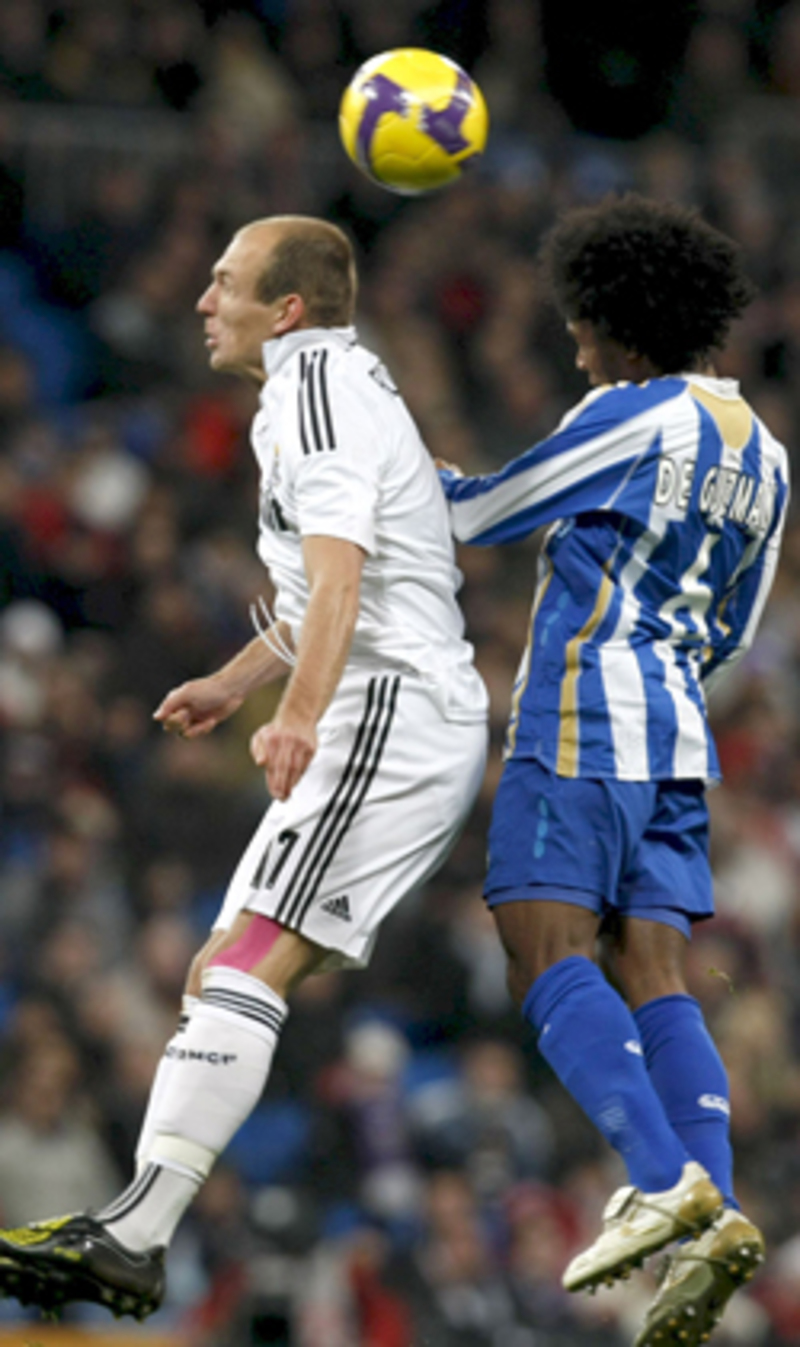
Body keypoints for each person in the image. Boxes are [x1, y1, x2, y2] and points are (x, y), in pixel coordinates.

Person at [0, 215, 488, 1321]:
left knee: (247, 962)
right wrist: (234, 682)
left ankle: (135, 1237)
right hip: (386, 707)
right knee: (220, 968)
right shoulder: (320, 387)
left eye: (225, 283)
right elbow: (327, 592)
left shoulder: (315, 395)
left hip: (389, 712)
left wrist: (296, 716)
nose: (202, 301)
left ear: (288, 311)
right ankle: (138, 1226)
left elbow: (344, 582)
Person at [439, 194, 788, 1347]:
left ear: (621, 321)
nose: (573, 340)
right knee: (654, 969)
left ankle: (655, 1178)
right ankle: (714, 1213)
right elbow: (734, 630)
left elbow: (485, 513)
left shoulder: (632, 414)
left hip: (581, 717)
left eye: (581, 320)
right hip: (677, 736)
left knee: (539, 947)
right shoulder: (766, 457)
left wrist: (395, 473)